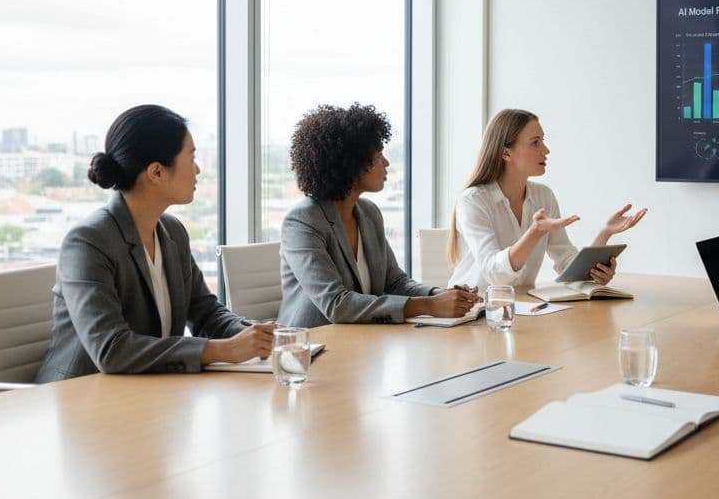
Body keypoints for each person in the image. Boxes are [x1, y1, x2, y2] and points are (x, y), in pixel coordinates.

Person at [36, 105, 273, 382]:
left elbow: (206, 313)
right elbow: (112, 349)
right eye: (191, 156)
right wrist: (221, 350)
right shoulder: (88, 242)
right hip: (79, 398)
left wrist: (262, 335)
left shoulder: (172, 232)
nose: (198, 169)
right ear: (157, 172)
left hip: (146, 392)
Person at [278, 104, 479, 326]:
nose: (386, 163)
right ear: (352, 165)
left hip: (363, 342)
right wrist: (428, 305)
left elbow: (394, 282)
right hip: (310, 346)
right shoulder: (303, 221)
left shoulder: (368, 213)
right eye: (379, 155)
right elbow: (336, 304)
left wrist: (439, 294)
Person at [447, 108, 646, 291]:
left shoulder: (543, 196)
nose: (546, 150)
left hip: (520, 310)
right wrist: (534, 233)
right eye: (535, 143)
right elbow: (495, 274)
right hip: (473, 313)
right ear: (506, 153)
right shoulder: (473, 201)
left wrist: (605, 234)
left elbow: (566, 263)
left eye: (542, 140)